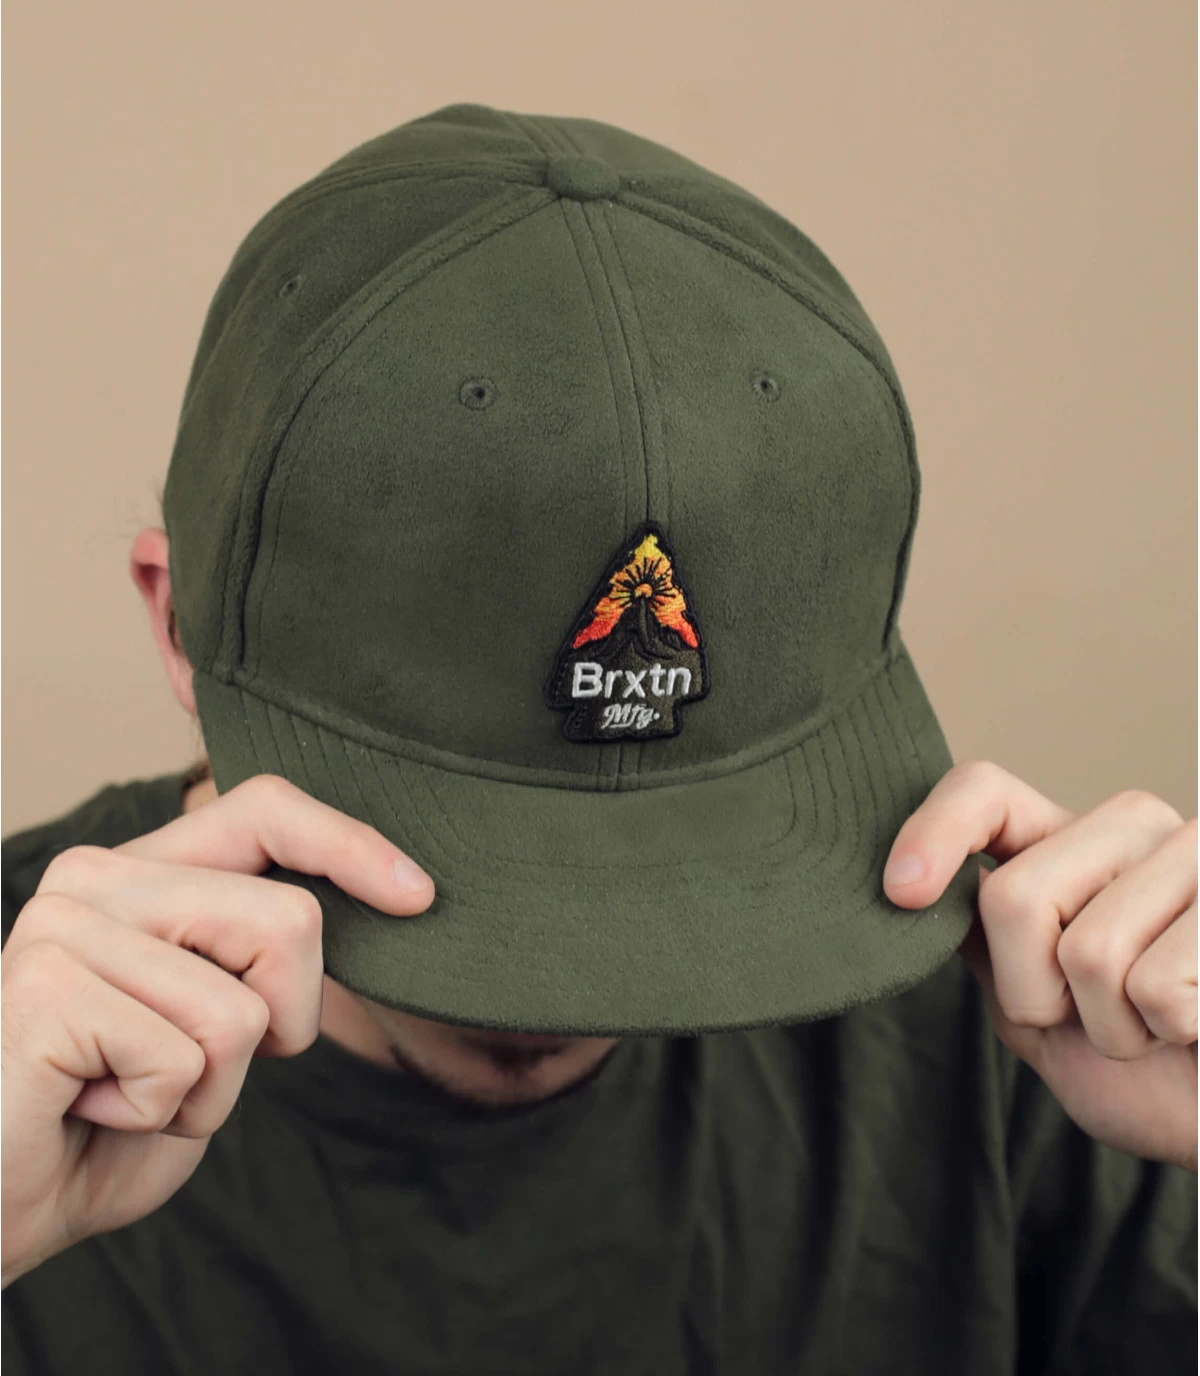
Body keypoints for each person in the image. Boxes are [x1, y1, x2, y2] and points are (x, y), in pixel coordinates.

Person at [1, 103, 1195, 1374]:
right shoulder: (23, 1052)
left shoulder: (1030, 1040)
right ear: (179, 623)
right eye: (466, 818)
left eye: (709, 830)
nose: (578, 975)